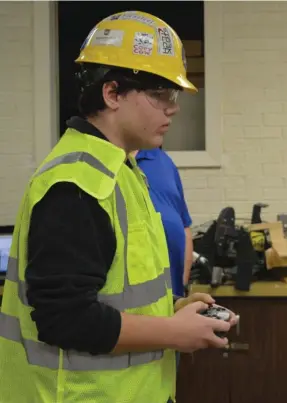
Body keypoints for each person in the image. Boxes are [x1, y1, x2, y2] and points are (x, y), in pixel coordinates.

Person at [0, 11, 236, 403]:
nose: (173, 108)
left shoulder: (124, 168)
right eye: (160, 94)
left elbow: (109, 294)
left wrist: (174, 311)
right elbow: (65, 318)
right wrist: (174, 333)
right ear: (112, 94)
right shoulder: (75, 185)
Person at [133, 147, 193, 299]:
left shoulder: (162, 160)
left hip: (171, 297)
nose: (168, 122)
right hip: (132, 305)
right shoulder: (104, 163)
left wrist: (182, 287)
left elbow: (183, 225)